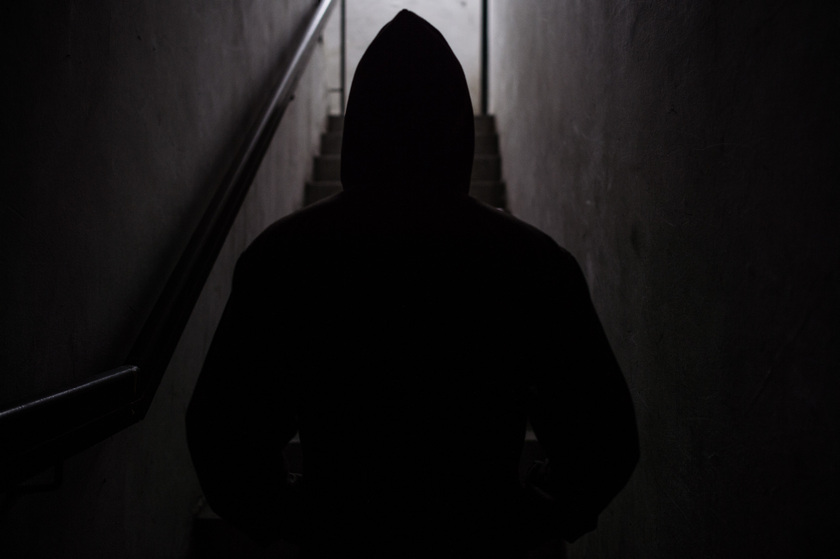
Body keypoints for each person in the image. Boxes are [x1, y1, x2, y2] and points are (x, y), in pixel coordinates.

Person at [186, 10, 638, 558]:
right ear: (458, 128)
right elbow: (605, 439)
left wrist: (298, 518)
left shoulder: (285, 256)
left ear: (359, 126)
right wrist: (530, 516)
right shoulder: (531, 261)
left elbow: (222, 435)